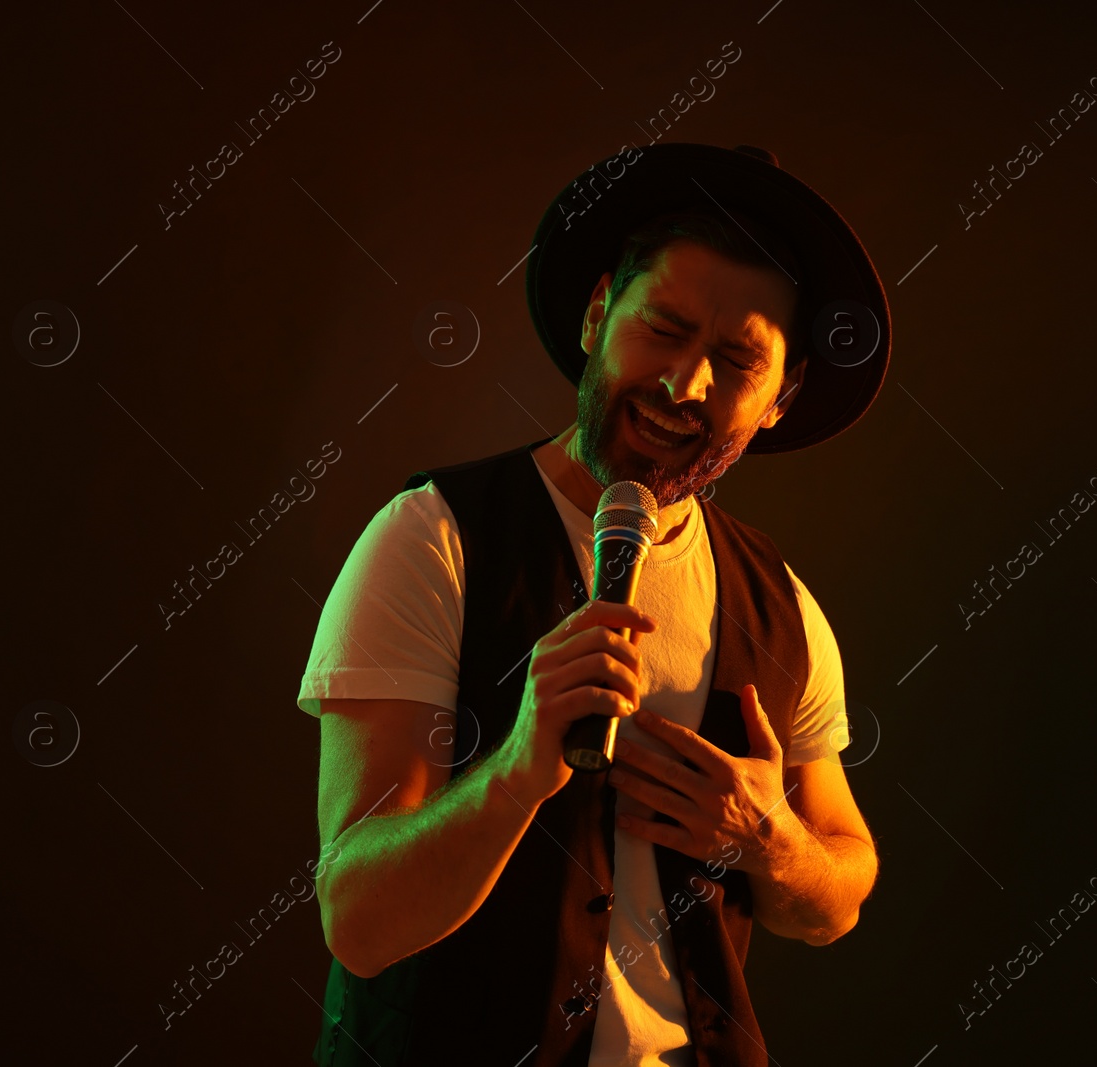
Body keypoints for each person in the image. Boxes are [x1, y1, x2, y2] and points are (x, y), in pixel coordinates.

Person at [297, 142, 892, 1066]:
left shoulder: (782, 606)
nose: (682, 383)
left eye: (735, 360)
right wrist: (520, 765)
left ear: (780, 398)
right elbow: (359, 920)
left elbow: (842, 890)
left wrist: (769, 838)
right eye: (662, 327)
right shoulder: (433, 538)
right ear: (595, 311)